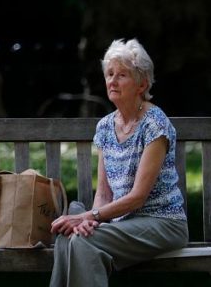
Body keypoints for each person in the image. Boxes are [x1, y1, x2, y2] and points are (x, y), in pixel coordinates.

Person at [49, 39, 188, 286]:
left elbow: (138, 197)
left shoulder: (155, 124)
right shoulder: (105, 127)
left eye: (122, 75)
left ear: (142, 84)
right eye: (110, 74)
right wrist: (89, 221)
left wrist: (89, 216)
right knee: (69, 235)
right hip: (125, 224)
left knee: (83, 241)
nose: (112, 81)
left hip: (163, 223)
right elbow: (104, 191)